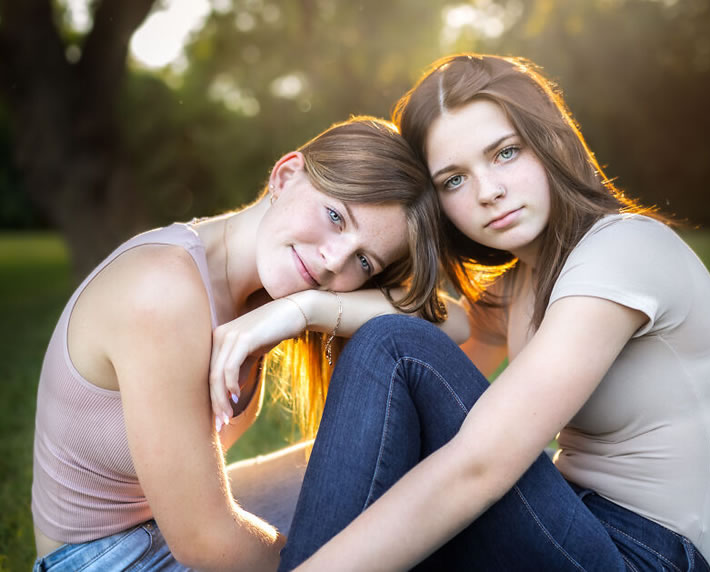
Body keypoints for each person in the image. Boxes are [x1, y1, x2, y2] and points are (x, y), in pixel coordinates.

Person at [268, 53, 710, 571]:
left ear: (552, 140)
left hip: (644, 556)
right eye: (453, 180)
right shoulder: (523, 283)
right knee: (396, 355)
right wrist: (308, 307)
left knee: (393, 345)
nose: (488, 192)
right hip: (571, 524)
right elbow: (414, 380)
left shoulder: (624, 250)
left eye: (504, 153)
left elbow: (479, 465)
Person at [30, 116, 455, 571]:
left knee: (412, 476)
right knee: (398, 540)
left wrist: (304, 310)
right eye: (335, 216)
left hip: (162, 527)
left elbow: (452, 322)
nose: (334, 260)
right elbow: (207, 544)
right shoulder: (163, 289)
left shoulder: (274, 297)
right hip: (109, 560)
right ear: (286, 175)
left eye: (364, 260)